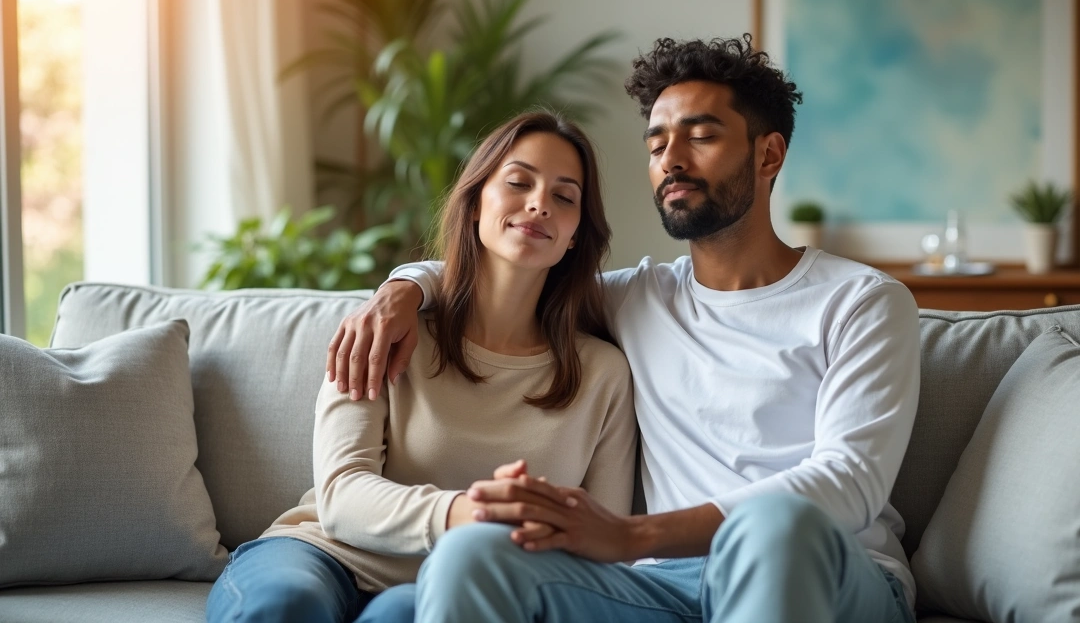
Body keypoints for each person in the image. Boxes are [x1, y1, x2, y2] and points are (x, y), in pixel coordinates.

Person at [330, 35, 920, 623]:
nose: (672, 159)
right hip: (666, 588)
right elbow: (510, 272)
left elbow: (850, 482)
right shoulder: (637, 298)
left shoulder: (861, 303)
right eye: (657, 143)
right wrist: (404, 289)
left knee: (774, 526)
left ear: (768, 156)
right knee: (473, 553)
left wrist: (632, 536)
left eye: (702, 136)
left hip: (829, 574)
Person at [205, 111, 637, 623]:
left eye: (564, 197)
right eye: (518, 182)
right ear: (475, 204)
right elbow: (342, 498)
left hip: (459, 591)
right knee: (283, 607)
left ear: (573, 237)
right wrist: (470, 514)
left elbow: (605, 548)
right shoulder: (387, 330)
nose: (540, 203)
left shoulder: (603, 375)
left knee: (401, 614)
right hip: (323, 553)